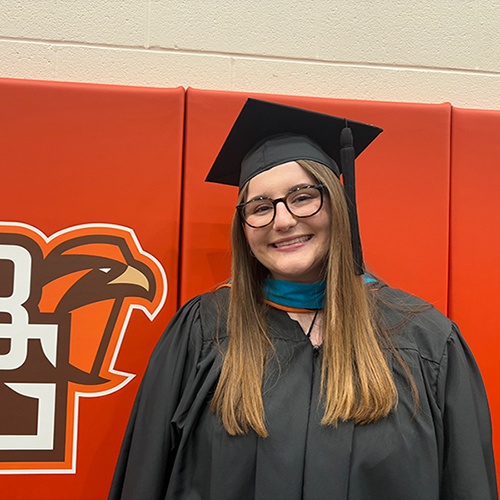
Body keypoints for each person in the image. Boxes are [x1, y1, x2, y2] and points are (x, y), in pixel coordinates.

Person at [110, 99, 497, 499]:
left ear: (338, 204)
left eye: (302, 196)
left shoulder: (426, 342)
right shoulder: (203, 332)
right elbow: (145, 479)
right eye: (260, 206)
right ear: (243, 226)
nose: (282, 220)